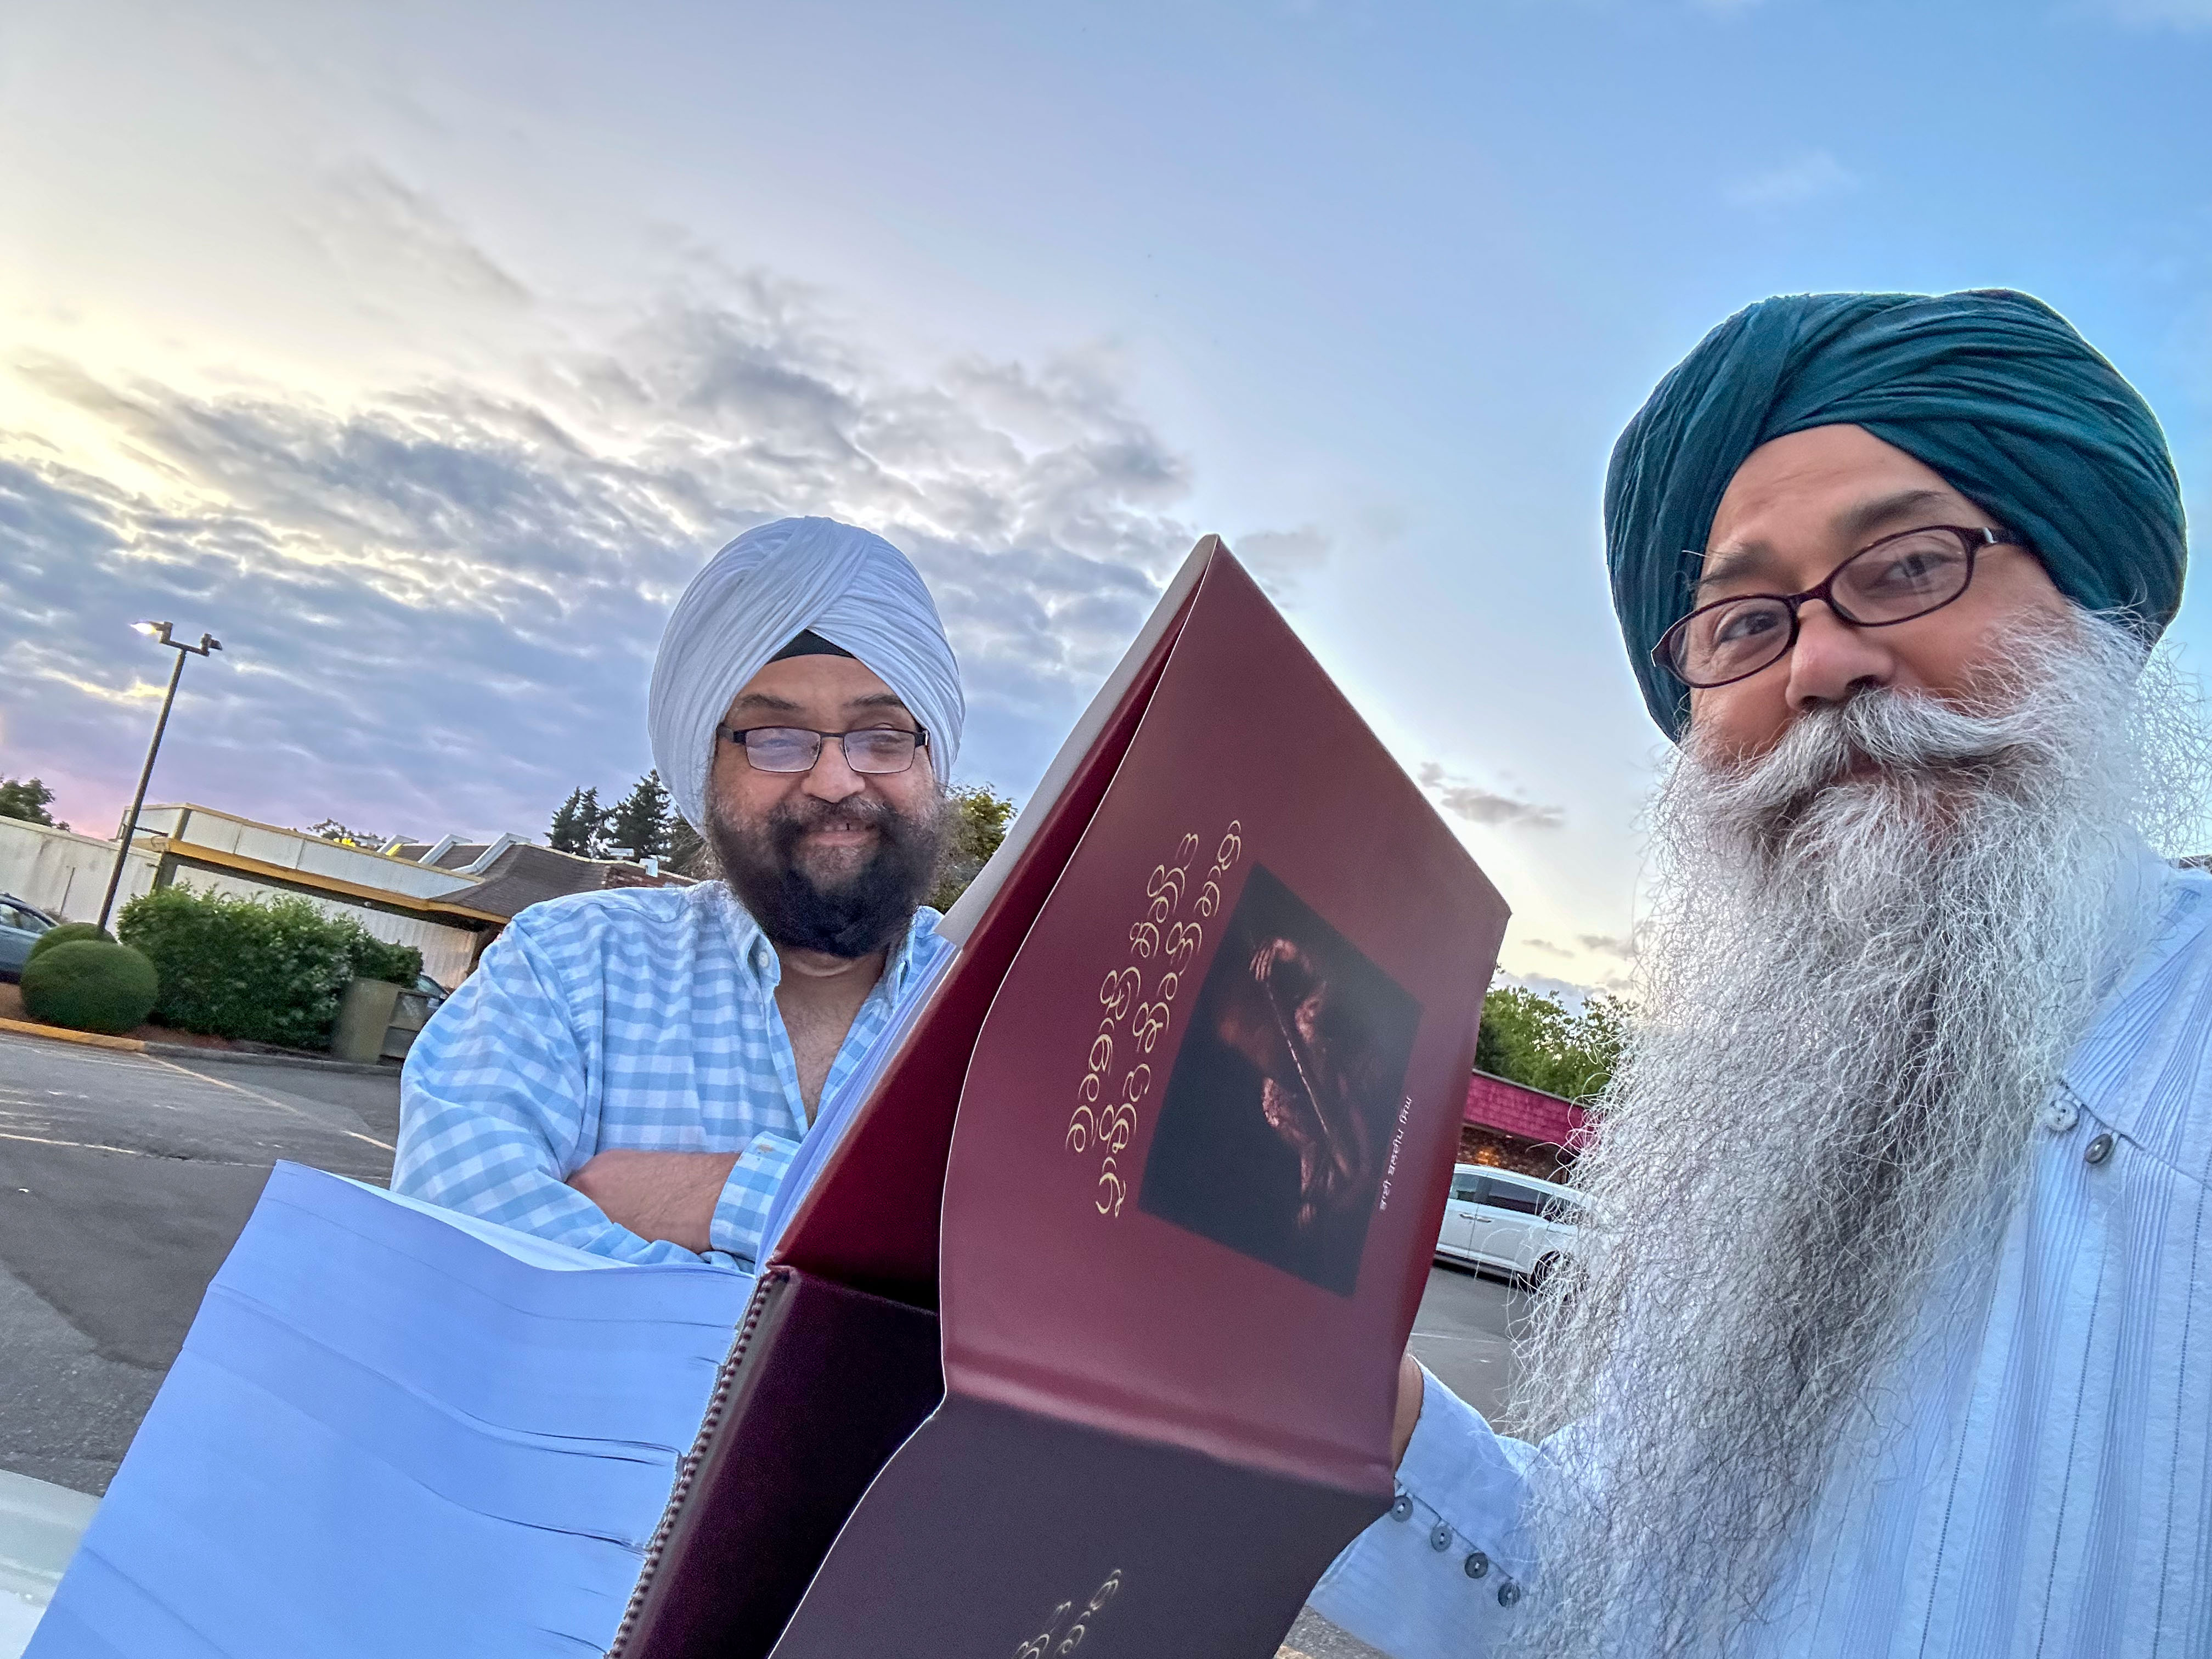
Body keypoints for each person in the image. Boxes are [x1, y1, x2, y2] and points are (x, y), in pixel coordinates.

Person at [1309, 290, 2210, 1657]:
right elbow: (1619, 1594)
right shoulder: (1762, 1128)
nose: (1823, 665)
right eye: (1742, 626)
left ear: (2096, 609)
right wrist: (1355, 1418)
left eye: (1908, 566)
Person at [394, 517, 963, 1267]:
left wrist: (728, 1195)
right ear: (706, 770)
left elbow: (1071, 1264)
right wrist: (899, 1253)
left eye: (883, 736)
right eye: (775, 738)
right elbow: (454, 1256)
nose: (834, 780)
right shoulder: (568, 967)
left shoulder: (1012, 1004)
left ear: (931, 763)